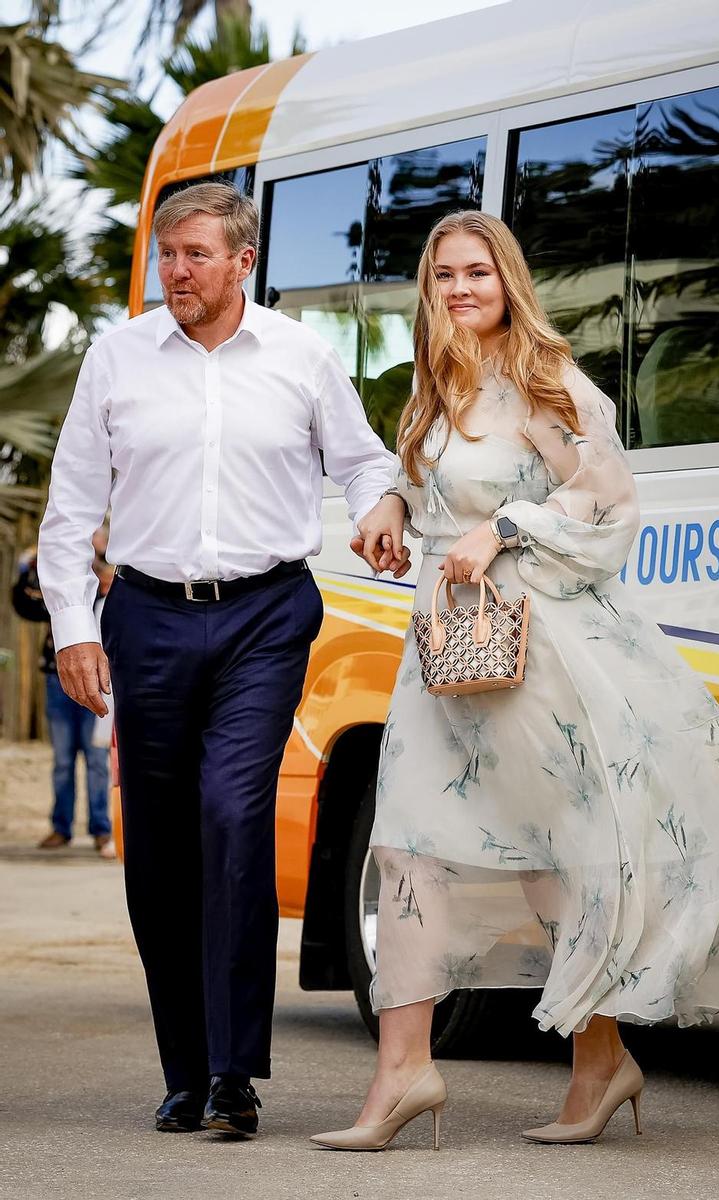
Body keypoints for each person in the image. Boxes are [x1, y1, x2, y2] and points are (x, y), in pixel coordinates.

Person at [311, 211, 719, 1152]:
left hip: (530, 649)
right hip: (443, 646)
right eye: (444, 275)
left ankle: (600, 1061)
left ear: (509, 284)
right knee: (408, 845)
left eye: (477, 275)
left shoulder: (546, 383)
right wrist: (386, 510)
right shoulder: (433, 384)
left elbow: (610, 502)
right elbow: (423, 493)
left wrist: (511, 527)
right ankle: (403, 1072)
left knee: (552, 858)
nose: (459, 290)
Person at [37, 182, 406, 1138]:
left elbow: (365, 462)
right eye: (168, 254)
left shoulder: (301, 356)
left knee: (234, 812)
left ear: (245, 262)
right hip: (147, 619)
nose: (177, 272)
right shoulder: (115, 359)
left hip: (265, 615)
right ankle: (185, 1066)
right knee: (158, 842)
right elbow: (73, 507)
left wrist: (379, 505)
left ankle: (236, 1073)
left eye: (197, 255)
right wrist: (74, 626)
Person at [12, 531, 115, 858]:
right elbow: (25, 604)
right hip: (58, 680)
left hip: (100, 680)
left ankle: (102, 829)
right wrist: (30, 567)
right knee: (62, 759)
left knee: (98, 758)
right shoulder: (57, 571)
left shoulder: (118, 567)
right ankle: (61, 827)